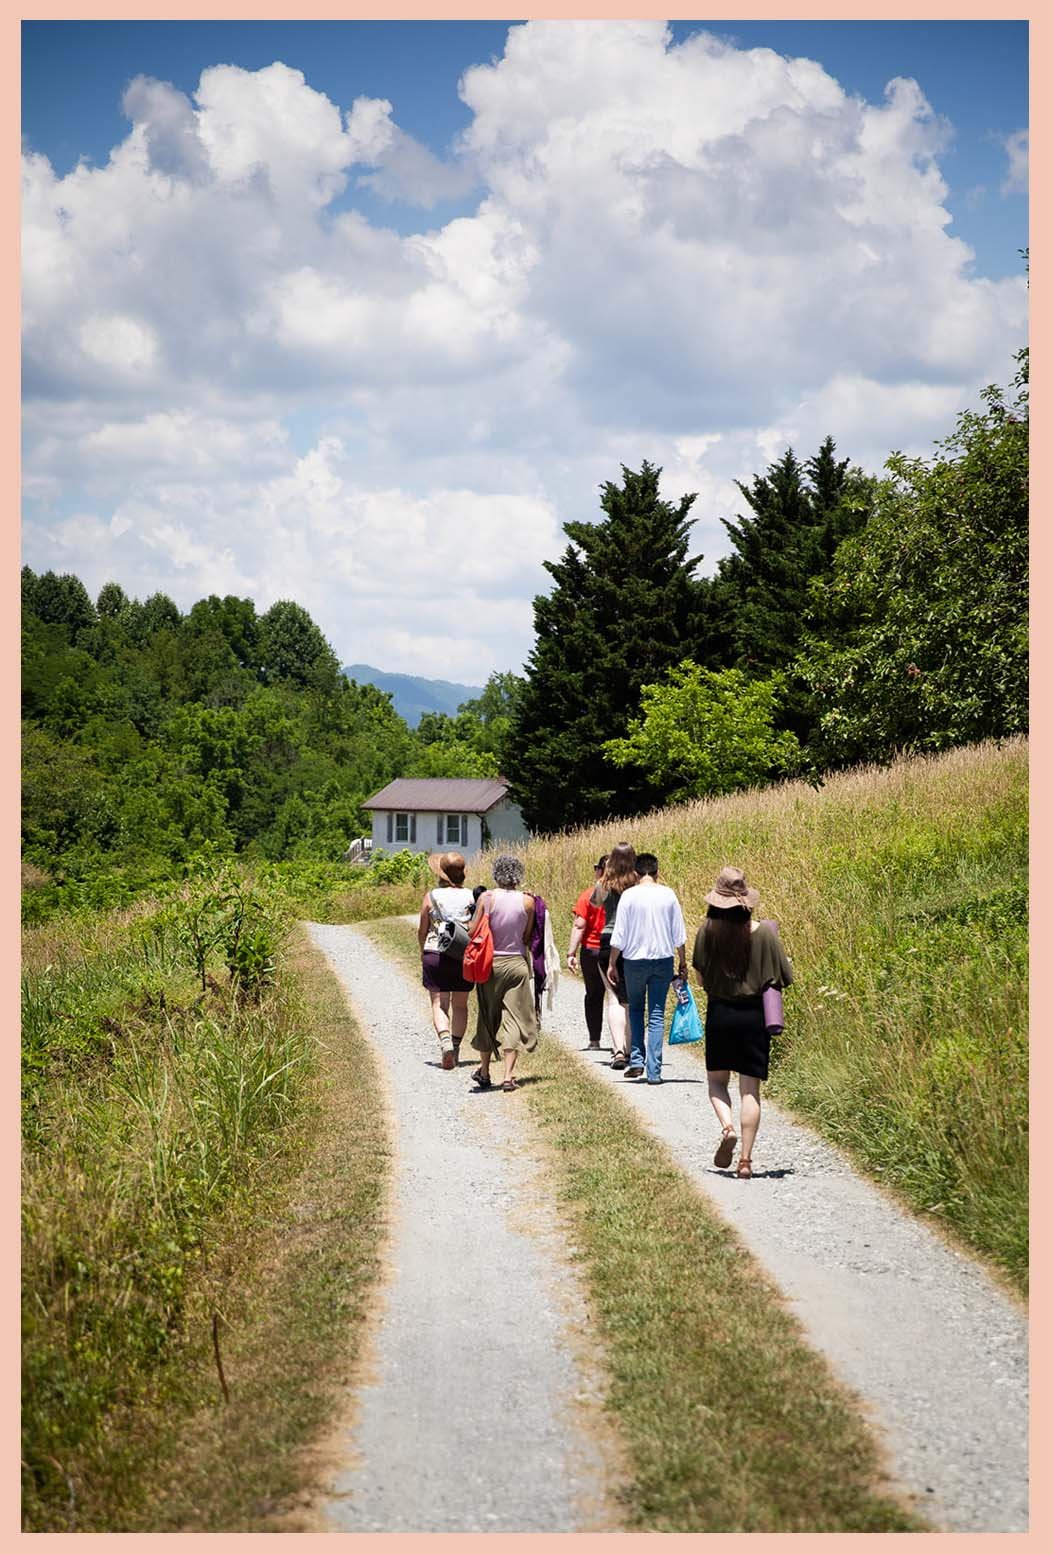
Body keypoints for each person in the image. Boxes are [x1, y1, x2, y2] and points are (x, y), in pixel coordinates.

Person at [691, 866, 793, 1179]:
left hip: (721, 1013)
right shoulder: (763, 932)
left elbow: (700, 976)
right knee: (751, 1091)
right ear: (746, 900)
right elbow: (783, 977)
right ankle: (746, 1161)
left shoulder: (707, 930)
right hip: (754, 1017)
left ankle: (727, 1128)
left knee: (717, 1082)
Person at [607, 852, 687, 1084]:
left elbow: (619, 935)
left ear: (635, 873)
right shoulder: (668, 894)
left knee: (635, 1009)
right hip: (663, 960)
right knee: (656, 1014)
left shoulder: (629, 896)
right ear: (657, 872)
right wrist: (682, 962)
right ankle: (654, 1071)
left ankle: (637, 1060)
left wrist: (613, 963)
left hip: (634, 962)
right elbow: (678, 934)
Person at [467, 854, 539, 1092]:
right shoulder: (528, 902)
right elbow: (527, 937)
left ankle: (485, 1071)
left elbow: (472, 931)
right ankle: (508, 1076)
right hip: (516, 964)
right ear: (518, 876)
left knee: (488, 1017)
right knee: (514, 1019)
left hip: (490, 964)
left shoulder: (487, 898)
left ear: (496, 874)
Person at [417, 852, 475, 1070]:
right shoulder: (472, 897)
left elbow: (422, 929)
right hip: (463, 955)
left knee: (439, 1003)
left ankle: (445, 1043)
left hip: (436, 952)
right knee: (460, 1005)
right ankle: (457, 1047)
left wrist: (423, 951)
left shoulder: (432, 896)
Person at [591, 843, 637, 1068]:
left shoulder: (604, 883)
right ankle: (630, 1050)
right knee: (630, 999)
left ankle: (618, 1050)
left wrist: (601, 876)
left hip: (609, 939)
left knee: (613, 997)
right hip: (633, 941)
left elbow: (595, 903)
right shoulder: (637, 882)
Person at [566, 855, 608, 1050]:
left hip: (591, 950)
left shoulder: (589, 895)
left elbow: (580, 924)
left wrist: (571, 953)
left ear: (599, 870)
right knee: (620, 997)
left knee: (593, 994)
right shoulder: (625, 894)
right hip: (618, 950)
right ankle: (624, 1043)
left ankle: (594, 1040)